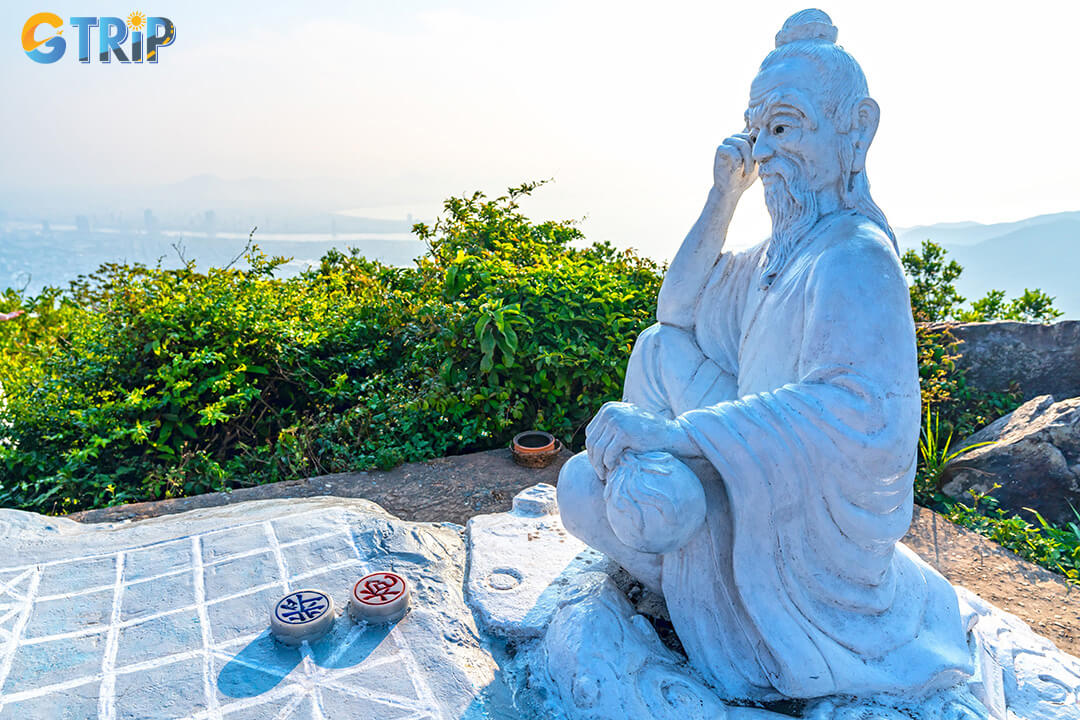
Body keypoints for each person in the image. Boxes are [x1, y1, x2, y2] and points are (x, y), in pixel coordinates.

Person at [557, 9, 973, 701]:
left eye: (784, 127)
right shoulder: (781, 255)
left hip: (794, 544)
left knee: (580, 488)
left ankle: (689, 553)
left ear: (856, 128)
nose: (766, 150)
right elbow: (676, 314)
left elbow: (851, 415)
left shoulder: (853, 259)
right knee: (659, 349)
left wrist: (674, 436)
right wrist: (724, 195)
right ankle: (663, 502)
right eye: (756, 132)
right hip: (747, 463)